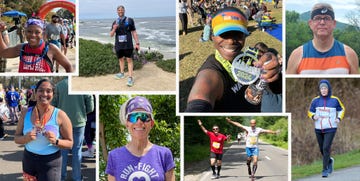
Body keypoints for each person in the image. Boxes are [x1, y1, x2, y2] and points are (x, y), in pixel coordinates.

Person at [185, 7, 281, 112]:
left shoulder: (248, 59)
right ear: (212, 36)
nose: (231, 41)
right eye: (224, 34)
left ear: (245, 36)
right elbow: (199, 102)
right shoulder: (211, 74)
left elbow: (276, 90)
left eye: (238, 34)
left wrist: (274, 72)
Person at [14, 79, 73, 181]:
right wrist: (26, 138)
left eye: (49, 91)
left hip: (50, 162)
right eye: (41, 90)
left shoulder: (60, 115)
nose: (44, 94)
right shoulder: (25, 113)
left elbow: (70, 143)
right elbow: (16, 138)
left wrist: (56, 141)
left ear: (53, 94)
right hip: (29, 160)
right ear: (35, 92)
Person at [106, 96, 175, 181]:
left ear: (152, 123)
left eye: (144, 116)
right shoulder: (114, 156)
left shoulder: (164, 154)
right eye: (133, 117)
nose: (139, 122)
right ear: (127, 123)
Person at [286, 3, 359, 74]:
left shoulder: (349, 54)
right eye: (317, 18)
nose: (322, 22)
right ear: (310, 23)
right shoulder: (297, 55)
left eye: (327, 18)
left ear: (334, 23)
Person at [51, 77, 94, 181]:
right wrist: (83, 113)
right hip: (78, 121)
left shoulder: (59, 86)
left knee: (63, 151)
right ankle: (77, 177)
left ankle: (61, 177)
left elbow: (53, 104)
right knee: (77, 150)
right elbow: (91, 105)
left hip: (62, 123)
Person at [0, 18, 73, 73]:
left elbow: (68, 66)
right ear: (25, 32)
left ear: (42, 34)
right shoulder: (21, 48)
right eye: (29, 31)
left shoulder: (51, 48)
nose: (33, 35)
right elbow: (3, 52)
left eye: (37, 32)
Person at [308, 79, 345, 177]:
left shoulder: (335, 100)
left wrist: (338, 118)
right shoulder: (315, 100)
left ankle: (325, 170)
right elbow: (310, 111)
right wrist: (313, 116)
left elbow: (342, 109)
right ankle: (329, 161)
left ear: (329, 89)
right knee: (322, 149)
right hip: (318, 128)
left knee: (326, 147)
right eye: (322, 88)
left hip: (331, 127)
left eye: (325, 88)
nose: (323, 90)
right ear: (319, 90)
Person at [110, 5, 140, 87]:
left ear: (124, 11)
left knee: (129, 60)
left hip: (128, 45)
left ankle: (130, 78)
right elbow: (111, 35)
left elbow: (134, 32)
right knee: (121, 59)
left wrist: (137, 43)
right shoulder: (115, 22)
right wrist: (114, 29)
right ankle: (122, 73)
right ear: (117, 11)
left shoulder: (130, 20)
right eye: (119, 10)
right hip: (119, 45)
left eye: (122, 10)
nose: (120, 11)